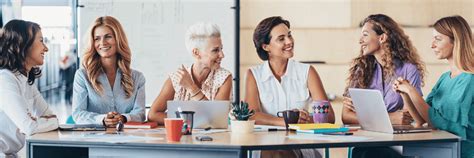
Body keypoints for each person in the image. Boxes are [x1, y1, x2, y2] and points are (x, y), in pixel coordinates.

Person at [245, 16, 335, 158]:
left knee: (282, 152)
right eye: (281, 39)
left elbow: (329, 116)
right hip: (266, 146)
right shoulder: (254, 75)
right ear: (266, 46)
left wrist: (307, 120)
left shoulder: (307, 72)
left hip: (302, 145)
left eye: (289, 35)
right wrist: (286, 122)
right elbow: (251, 115)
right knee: (276, 151)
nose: (289, 42)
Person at [393, 15, 474, 158]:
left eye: (438, 39)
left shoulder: (470, 80)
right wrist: (405, 94)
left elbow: (436, 120)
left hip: (461, 152)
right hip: (442, 147)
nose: (432, 45)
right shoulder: (445, 78)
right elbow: (420, 119)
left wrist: (412, 90)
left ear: (455, 41)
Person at [342, 14, 426, 126]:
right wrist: (390, 118)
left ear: (382, 38)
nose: (360, 41)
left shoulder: (408, 70)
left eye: (365, 35)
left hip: (395, 139)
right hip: (364, 137)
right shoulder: (361, 69)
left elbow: (406, 117)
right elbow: (346, 116)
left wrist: (364, 117)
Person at [147, 22, 232, 125]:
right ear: (196, 53)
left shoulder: (224, 78)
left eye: (221, 49)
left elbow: (216, 119)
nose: (222, 55)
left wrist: (192, 88)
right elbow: (153, 115)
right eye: (215, 50)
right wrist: (190, 120)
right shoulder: (176, 79)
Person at [72, 16, 146, 127]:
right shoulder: (82, 76)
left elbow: (140, 114)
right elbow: (78, 114)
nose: (102, 43)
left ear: (118, 39)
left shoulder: (137, 77)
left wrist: (123, 118)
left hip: (128, 139)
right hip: (94, 140)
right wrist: (103, 119)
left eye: (108, 37)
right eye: (97, 38)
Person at [0, 19, 58, 156]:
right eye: (41, 41)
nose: (46, 48)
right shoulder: (5, 79)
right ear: (22, 44)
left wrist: (42, 122)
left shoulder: (25, 80)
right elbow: (29, 127)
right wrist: (47, 122)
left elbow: (48, 115)